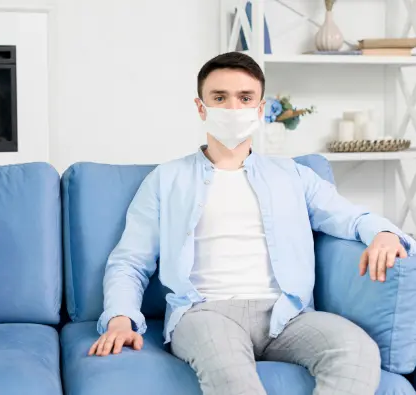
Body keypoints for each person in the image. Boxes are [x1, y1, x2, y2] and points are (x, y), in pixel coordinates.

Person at [88, 52, 414, 395]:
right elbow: (130, 260)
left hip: (288, 314)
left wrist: (384, 232)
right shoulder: (165, 179)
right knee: (230, 374)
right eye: (219, 98)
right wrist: (121, 317)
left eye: (245, 98)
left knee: (357, 351)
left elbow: (349, 215)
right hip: (204, 313)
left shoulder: (294, 176)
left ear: (259, 109)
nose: (232, 108)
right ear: (201, 108)